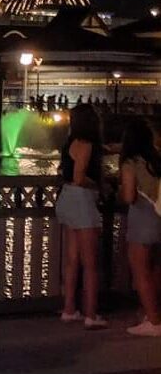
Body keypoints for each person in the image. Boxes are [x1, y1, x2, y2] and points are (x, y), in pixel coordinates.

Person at [55, 103, 107, 329]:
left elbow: (70, 176)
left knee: (72, 260)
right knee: (90, 263)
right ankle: (91, 314)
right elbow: (79, 178)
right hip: (82, 200)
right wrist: (98, 186)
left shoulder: (71, 143)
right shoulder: (86, 144)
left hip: (66, 198)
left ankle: (69, 309)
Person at [119, 118, 161, 336]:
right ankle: (153, 312)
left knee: (140, 270)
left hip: (142, 219)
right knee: (155, 269)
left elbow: (129, 196)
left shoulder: (131, 163)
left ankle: (154, 322)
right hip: (159, 217)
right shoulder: (156, 159)